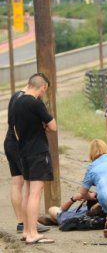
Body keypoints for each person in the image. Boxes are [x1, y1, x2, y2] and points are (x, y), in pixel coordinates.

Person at [13, 73, 57, 244]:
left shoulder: (17, 102)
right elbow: (53, 126)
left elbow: (15, 131)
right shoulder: (35, 102)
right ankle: (32, 233)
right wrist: (44, 125)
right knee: (36, 193)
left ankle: (26, 230)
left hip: (23, 151)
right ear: (43, 87)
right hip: (38, 151)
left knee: (28, 191)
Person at [4, 87, 50, 234]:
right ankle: (29, 223)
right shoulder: (28, 101)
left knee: (17, 182)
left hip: (9, 141)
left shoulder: (15, 96)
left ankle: (21, 222)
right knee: (31, 185)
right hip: (20, 143)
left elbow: (11, 122)